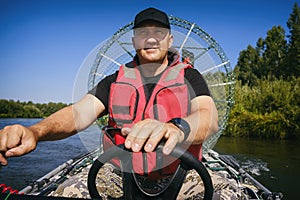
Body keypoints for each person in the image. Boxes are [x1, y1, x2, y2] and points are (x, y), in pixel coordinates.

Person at [0, 7, 218, 177]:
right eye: (143, 33)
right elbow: (77, 114)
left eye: (159, 33)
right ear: (134, 41)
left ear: (169, 40)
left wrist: (176, 129)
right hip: (119, 173)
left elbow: (208, 118)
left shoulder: (190, 77)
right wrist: (35, 132)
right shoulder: (113, 81)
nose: (151, 39)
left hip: (181, 171)